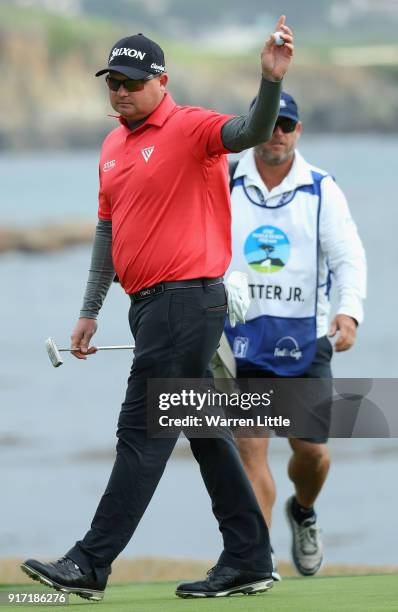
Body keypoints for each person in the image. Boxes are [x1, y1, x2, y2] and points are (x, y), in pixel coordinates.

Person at [21, 19, 294, 601]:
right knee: (201, 429)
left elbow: (252, 130)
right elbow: (107, 230)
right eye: (111, 81)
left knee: (141, 432)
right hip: (147, 309)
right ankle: (249, 556)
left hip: (186, 302)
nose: (120, 90)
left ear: (161, 81)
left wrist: (268, 82)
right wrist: (89, 309)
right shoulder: (111, 146)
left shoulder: (192, 127)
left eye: (131, 81)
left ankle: (91, 563)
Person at [224, 92, 367, 577]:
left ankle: (303, 511)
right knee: (250, 445)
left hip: (305, 341)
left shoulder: (322, 188)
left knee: (312, 453)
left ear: (298, 131)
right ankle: (257, 560)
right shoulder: (224, 179)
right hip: (240, 341)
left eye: (288, 125)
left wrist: (348, 313)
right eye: (272, 124)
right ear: (256, 126)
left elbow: (348, 258)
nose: (279, 133)